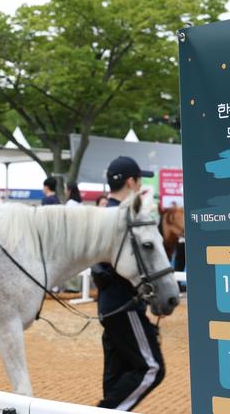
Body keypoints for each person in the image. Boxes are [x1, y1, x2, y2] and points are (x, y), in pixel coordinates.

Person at [92, 156, 164, 411]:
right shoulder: (124, 218)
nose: (141, 184)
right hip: (125, 304)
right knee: (152, 368)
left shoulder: (102, 215)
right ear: (131, 182)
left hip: (108, 305)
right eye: (140, 179)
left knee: (116, 376)